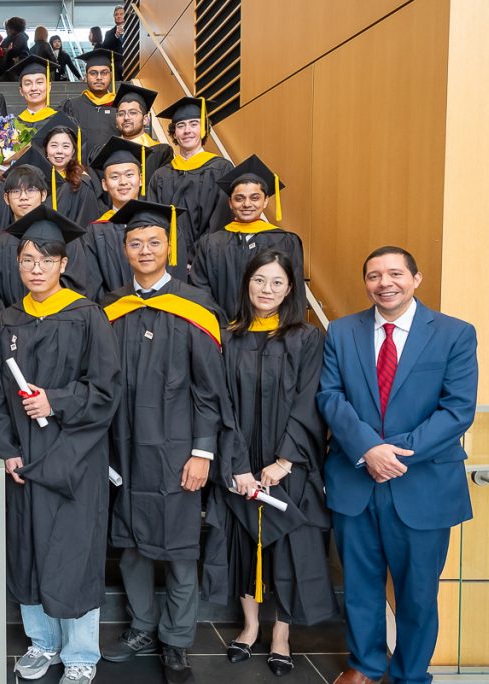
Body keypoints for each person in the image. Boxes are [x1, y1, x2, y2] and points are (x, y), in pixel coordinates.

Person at [316, 246, 477, 684]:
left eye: (394, 274)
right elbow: (330, 397)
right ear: (365, 282)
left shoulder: (454, 333)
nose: (384, 283)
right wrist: (368, 448)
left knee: (418, 593)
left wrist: (392, 452)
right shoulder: (341, 332)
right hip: (356, 479)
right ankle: (365, 665)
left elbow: (457, 409)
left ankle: (411, 674)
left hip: (422, 483)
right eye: (373, 275)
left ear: (416, 279)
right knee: (361, 586)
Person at [0, 206, 122, 684]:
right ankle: (42, 642)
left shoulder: (87, 315)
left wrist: (55, 402)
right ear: (17, 265)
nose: (36, 267)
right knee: (28, 552)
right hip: (24, 457)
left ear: (64, 264)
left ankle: (81, 653)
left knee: (73, 554)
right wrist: (8, 449)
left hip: (75, 458)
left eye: (46, 259)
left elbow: (106, 390)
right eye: (27, 259)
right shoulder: (8, 318)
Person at [100, 199, 232, 684]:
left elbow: (209, 389)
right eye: (136, 243)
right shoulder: (112, 306)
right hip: (124, 449)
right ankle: (140, 626)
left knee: (178, 549)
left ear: (169, 247)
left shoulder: (194, 306)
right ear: (125, 249)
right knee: (131, 545)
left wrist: (203, 451)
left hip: (179, 451)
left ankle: (176, 641)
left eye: (154, 242)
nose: (145, 250)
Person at [204, 249, 337, 678]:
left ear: (291, 288)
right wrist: (237, 465)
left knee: (288, 549)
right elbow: (219, 404)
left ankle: (281, 635)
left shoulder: (307, 338)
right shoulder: (229, 337)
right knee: (244, 546)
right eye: (259, 280)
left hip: (288, 466)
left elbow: (310, 402)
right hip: (240, 465)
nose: (267, 290)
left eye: (277, 282)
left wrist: (285, 461)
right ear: (246, 284)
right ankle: (249, 626)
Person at [0, 164, 94, 331]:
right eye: (16, 191)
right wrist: (7, 321)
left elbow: (76, 284)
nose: (23, 197)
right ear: (6, 198)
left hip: (59, 328)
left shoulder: (66, 239)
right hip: (10, 330)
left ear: (43, 195)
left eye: (31, 190)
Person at [191, 154, 305, 317]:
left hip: (272, 334)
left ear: (265, 201)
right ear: (230, 203)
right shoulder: (211, 243)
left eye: (255, 198)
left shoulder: (285, 241)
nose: (247, 204)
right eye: (239, 198)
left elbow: (295, 294)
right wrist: (222, 328)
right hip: (224, 333)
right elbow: (200, 291)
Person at [148, 96, 233, 273]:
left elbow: (220, 220)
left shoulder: (221, 168)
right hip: (166, 264)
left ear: (203, 130)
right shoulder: (161, 175)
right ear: (174, 133)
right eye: (181, 126)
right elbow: (154, 221)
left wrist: (197, 257)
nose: (187, 131)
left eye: (194, 124)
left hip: (206, 263)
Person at [83, 137, 160, 300]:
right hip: (113, 316)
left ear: (140, 179)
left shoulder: (162, 224)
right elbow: (92, 285)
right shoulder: (94, 231)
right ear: (104, 184)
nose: (123, 182)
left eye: (129, 174)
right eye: (115, 177)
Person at [31, 117, 104, 225]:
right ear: (46, 149)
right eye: (54, 146)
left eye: (66, 146)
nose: (59, 151)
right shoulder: (35, 178)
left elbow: (87, 220)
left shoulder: (82, 182)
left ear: (73, 151)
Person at [60, 48, 119, 160]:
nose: (99, 77)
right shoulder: (71, 106)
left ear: (111, 76)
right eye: (93, 73)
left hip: (112, 170)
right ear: (86, 76)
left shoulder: (120, 107)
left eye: (104, 73)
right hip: (80, 173)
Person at [110, 83, 174, 186]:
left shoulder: (160, 153)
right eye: (121, 114)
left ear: (145, 120)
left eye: (133, 112)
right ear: (116, 121)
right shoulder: (107, 151)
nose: (126, 117)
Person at [8, 55, 62, 130]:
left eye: (39, 82)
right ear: (21, 91)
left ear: (49, 87)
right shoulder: (11, 127)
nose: (34, 88)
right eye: (28, 83)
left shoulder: (61, 122)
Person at [101, 5, 126, 79]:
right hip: (116, 66)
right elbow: (104, 47)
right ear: (114, 17)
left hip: (130, 63)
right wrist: (116, 36)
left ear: (125, 16)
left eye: (121, 14)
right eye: (116, 14)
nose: (118, 16)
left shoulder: (132, 30)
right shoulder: (109, 33)